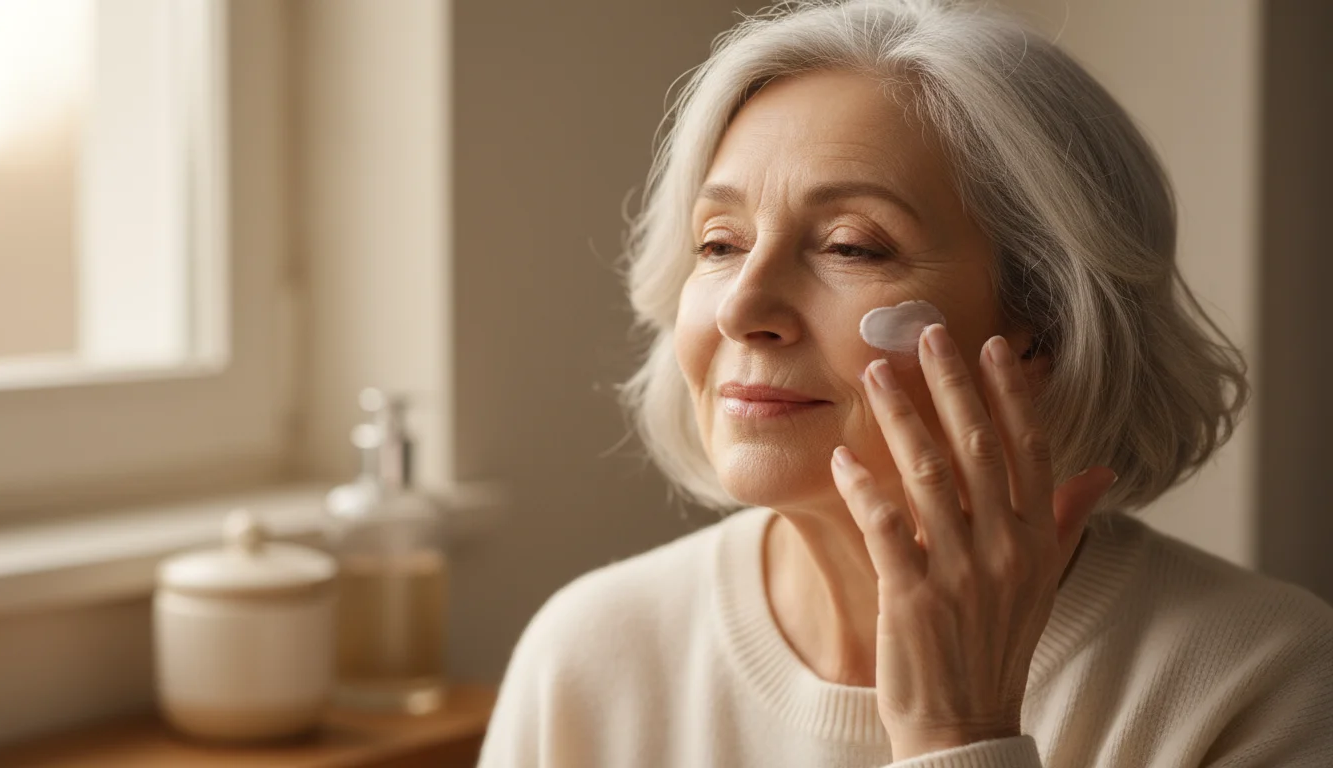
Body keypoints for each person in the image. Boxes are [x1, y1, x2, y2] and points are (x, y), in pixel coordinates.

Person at [477, 1, 1333, 765]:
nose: (743, 307)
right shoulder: (591, 657)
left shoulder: (1262, 683)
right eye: (719, 243)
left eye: (851, 246)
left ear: (1046, 328)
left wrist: (959, 736)